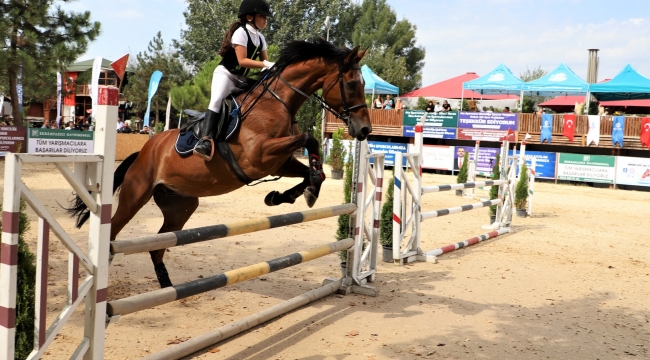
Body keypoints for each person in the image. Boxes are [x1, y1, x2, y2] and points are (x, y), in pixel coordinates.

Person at [194, 0, 274, 160]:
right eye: (262, 16)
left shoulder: (260, 38)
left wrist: (273, 69)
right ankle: (205, 140)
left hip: (240, 79)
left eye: (266, 17)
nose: (265, 20)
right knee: (216, 100)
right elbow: (242, 61)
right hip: (225, 74)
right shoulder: (241, 32)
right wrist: (266, 64)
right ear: (250, 17)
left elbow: (265, 64)